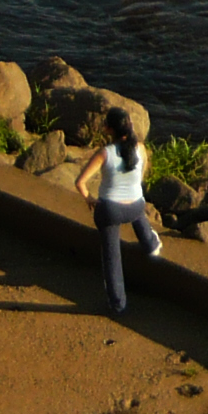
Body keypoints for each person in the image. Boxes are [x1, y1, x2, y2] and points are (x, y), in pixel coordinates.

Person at [72, 105, 161, 318]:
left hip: (110, 210)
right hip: (136, 205)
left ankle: (118, 305)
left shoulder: (105, 153)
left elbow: (80, 182)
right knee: (138, 213)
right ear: (129, 126)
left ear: (108, 129)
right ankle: (151, 244)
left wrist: (89, 199)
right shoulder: (140, 148)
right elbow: (142, 174)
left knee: (112, 258)